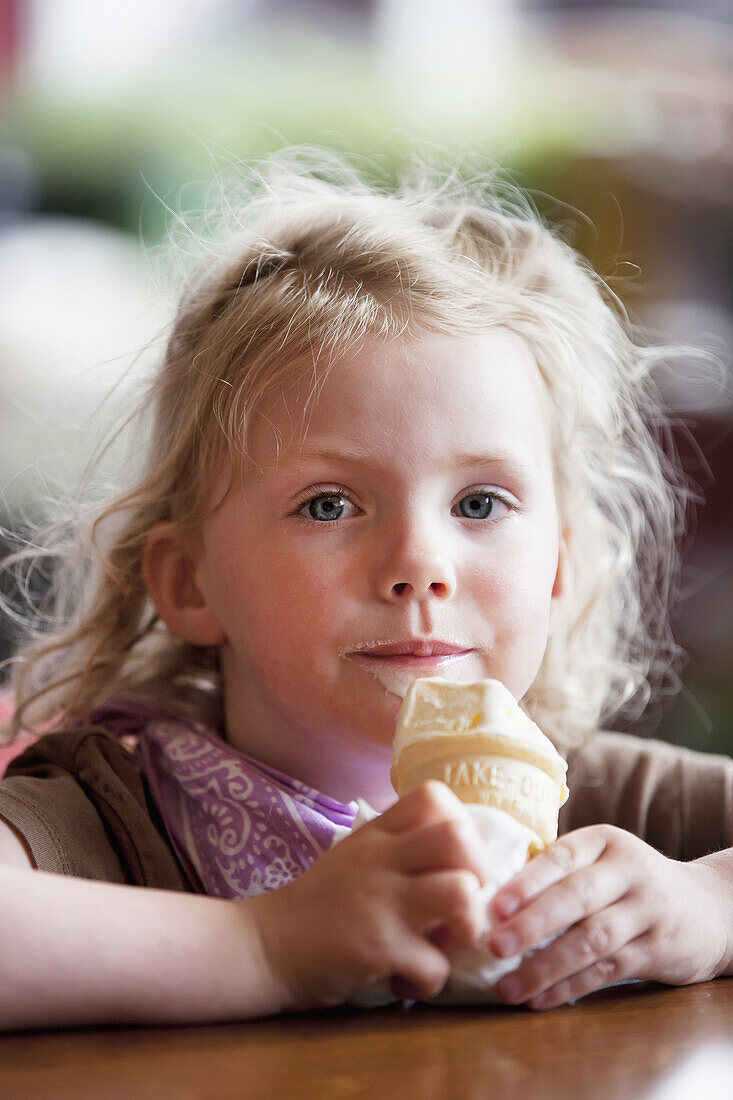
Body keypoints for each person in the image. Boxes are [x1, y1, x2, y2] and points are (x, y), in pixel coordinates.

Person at [0, 150, 731, 1030]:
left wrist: (708, 904)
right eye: (329, 504)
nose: (420, 563)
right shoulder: (107, 818)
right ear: (190, 583)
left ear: (557, 576)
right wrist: (264, 948)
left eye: (479, 502)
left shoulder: (605, 800)